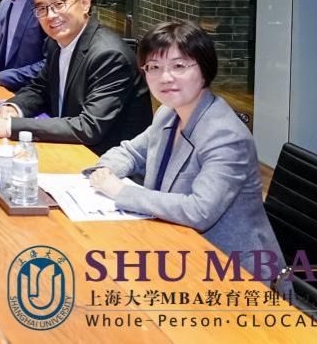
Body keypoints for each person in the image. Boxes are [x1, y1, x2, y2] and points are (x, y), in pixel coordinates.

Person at [87, 20, 283, 277]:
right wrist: (105, 171)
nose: (165, 77)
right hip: (174, 246)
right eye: (154, 67)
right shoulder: (168, 113)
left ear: (204, 69)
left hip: (232, 268)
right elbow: (132, 152)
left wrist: (121, 191)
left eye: (179, 66)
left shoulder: (225, 136)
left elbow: (199, 210)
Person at [0, 0, 152, 155]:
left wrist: (11, 127)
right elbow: (40, 88)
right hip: (69, 149)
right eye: (41, 8)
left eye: (58, 4)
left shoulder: (109, 55)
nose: (50, 15)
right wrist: (14, 108)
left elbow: (89, 127)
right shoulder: (56, 43)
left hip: (105, 160)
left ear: (85, 3)